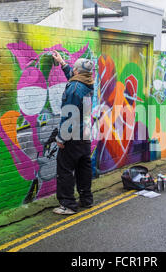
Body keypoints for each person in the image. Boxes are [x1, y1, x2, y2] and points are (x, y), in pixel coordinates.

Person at [51, 51, 94, 215]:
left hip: (73, 135)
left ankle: (68, 204)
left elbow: (70, 115)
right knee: (84, 166)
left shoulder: (74, 88)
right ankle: (86, 199)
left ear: (77, 71)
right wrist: (62, 63)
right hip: (85, 133)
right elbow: (74, 76)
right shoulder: (88, 83)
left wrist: (61, 138)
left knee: (65, 170)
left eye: (74, 69)